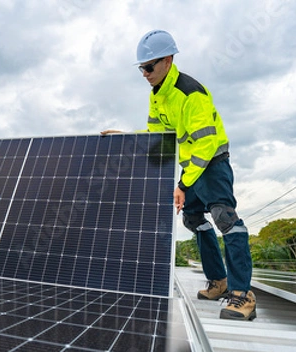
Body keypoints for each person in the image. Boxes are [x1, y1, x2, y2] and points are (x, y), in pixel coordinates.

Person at [102, 30, 256, 321]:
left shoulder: (190, 93)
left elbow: (206, 144)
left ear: (168, 61)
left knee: (226, 220)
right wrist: (126, 137)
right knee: (193, 219)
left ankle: (242, 294)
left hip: (212, 163)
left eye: (149, 67)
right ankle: (218, 281)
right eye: (141, 68)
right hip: (192, 168)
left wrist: (183, 184)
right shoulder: (158, 96)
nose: (144, 73)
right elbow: (158, 137)